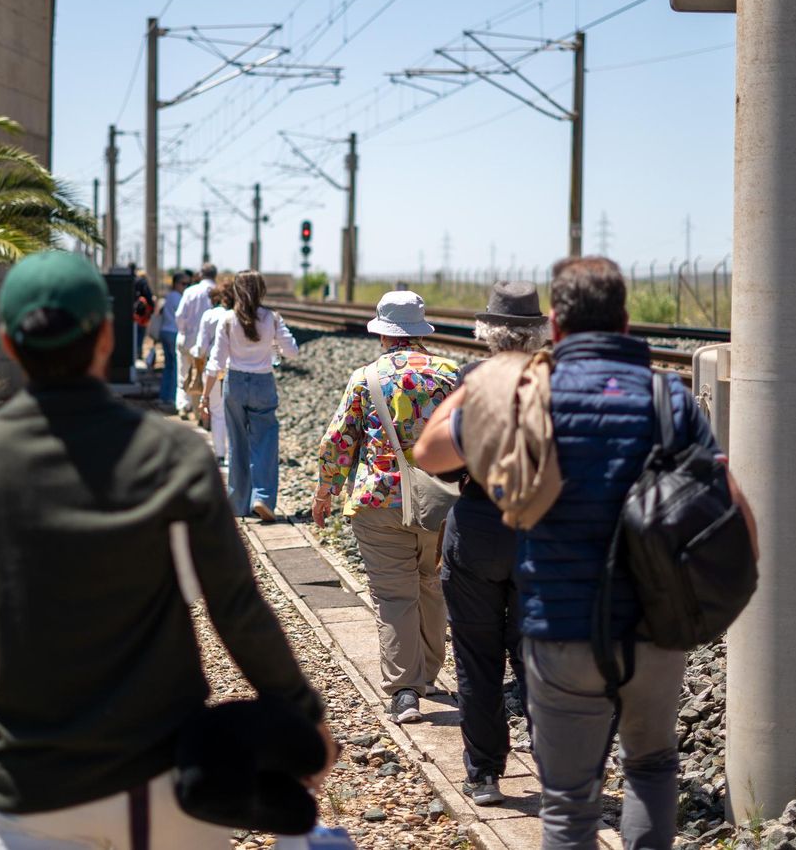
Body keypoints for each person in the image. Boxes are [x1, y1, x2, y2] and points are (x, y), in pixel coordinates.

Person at [0, 249, 333, 849]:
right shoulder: (173, 457)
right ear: (106, 335)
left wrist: (3, 623)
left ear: (9, 343)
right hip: (161, 785)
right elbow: (236, 607)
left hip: (28, 798)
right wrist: (301, 713)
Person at [415, 256, 755, 850]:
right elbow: (732, 508)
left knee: (569, 806)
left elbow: (430, 454)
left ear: (557, 323)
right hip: (653, 624)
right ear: (625, 322)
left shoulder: (529, 395)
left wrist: (472, 389)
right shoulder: (667, 397)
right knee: (650, 770)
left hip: (560, 630)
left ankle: (488, 769)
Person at [313, 291, 458, 725]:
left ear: (383, 335)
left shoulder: (366, 377)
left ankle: (405, 692)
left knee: (394, 593)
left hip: (380, 500)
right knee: (432, 584)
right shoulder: (450, 373)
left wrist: (326, 492)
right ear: (419, 330)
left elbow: (338, 441)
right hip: (440, 499)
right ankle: (429, 674)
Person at [434, 282, 548, 807]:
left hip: (479, 525)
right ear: (538, 332)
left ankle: (484, 775)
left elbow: (448, 461)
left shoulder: (469, 381)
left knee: (477, 658)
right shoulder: (557, 381)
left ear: (487, 333)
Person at [202, 270, 298, 521]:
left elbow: (216, 363)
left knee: (237, 443)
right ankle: (262, 498)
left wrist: (204, 397)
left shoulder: (228, 320)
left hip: (234, 383)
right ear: (261, 290)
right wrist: (274, 345)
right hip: (263, 384)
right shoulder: (272, 318)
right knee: (264, 442)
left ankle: (238, 503)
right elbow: (293, 352)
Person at [192, 276, 233, 466]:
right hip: (237, 369)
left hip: (214, 368)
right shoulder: (238, 316)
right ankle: (235, 453)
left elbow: (200, 348)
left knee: (217, 412)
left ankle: (220, 454)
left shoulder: (209, 316)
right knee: (235, 414)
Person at [174, 263, 218, 416]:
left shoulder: (190, 291)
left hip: (188, 337)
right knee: (205, 374)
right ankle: (201, 410)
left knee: (184, 371)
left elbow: (180, 315)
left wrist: (183, 330)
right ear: (215, 275)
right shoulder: (217, 291)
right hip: (210, 341)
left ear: (200, 274)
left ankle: (183, 405)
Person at [156, 271, 186, 409]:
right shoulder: (178, 297)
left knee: (168, 366)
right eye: (183, 283)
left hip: (165, 331)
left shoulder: (169, 296)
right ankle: (172, 397)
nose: (185, 286)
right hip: (173, 332)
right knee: (175, 366)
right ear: (176, 284)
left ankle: (164, 396)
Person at [131, 265, 154, 367]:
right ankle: (138, 354)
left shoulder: (131, 281)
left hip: (131, 314)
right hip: (142, 315)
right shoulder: (142, 282)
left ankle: (134, 354)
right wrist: (152, 309)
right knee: (140, 334)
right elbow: (149, 298)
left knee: (134, 334)